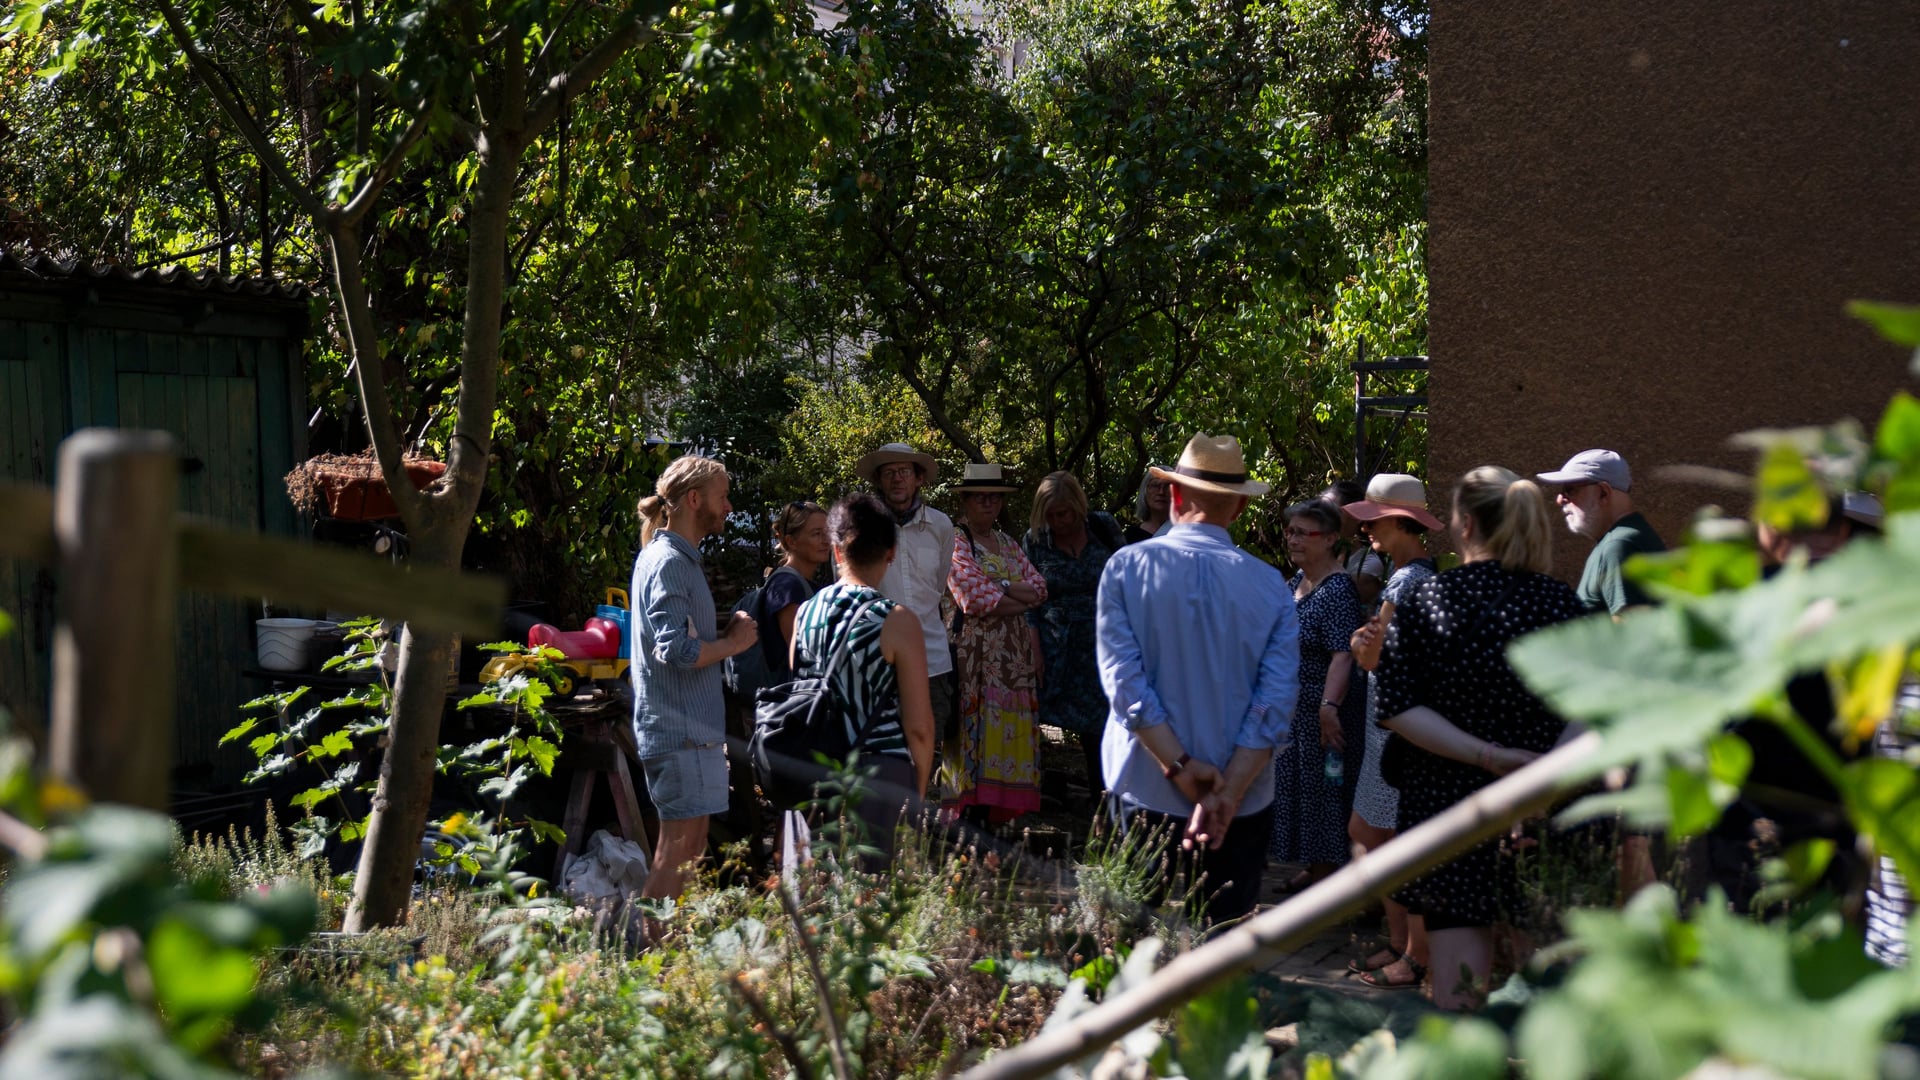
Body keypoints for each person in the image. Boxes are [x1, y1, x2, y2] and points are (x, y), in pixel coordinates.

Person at [1374, 466, 1585, 1009]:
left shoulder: (1429, 599)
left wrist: (1489, 756)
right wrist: (1539, 775)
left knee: (1458, 995)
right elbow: (1597, 710)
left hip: (1449, 813)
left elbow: (1396, 707)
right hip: (1543, 811)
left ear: (1465, 524)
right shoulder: (1562, 606)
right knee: (1545, 1000)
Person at [1098, 434, 1300, 927]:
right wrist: (1228, 790)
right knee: (1226, 955)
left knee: (1121, 950)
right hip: (1243, 799)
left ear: (1174, 497)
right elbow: (1272, 705)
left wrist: (1181, 765)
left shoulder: (1126, 568)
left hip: (1144, 785)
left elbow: (1126, 684)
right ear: (1237, 509)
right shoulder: (1271, 585)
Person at [630, 455, 759, 904]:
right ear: (693, 498)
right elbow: (678, 651)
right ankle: (647, 955)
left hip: (692, 734)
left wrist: (722, 636)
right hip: (678, 734)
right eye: (722, 496)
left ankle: (667, 953)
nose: (728, 507)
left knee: (692, 847)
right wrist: (735, 643)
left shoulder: (677, 559)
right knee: (677, 850)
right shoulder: (668, 562)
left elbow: (683, 640)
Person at [788, 495, 937, 863]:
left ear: (837, 551)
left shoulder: (805, 613)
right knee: (875, 901)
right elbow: (919, 727)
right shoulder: (898, 621)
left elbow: (799, 688)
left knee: (819, 903)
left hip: (814, 774)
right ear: (891, 553)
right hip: (879, 776)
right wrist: (916, 793)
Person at [1340, 474, 1443, 990]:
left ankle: (1415, 954)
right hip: (1393, 725)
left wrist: (1361, 645)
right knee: (1374, 835)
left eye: (1374, 519)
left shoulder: (1405, 581)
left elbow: (1373, 653)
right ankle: (1403, 944)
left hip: (1394, 728)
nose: (1366, 529)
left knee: (1389, 841)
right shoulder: (1418, 573)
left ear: (1400, 521)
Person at [1268, 498, 1366, 888]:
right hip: (1297, 712)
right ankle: (1315, 868)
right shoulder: (1297, 582)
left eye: (1302, 533)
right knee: (1305, 792)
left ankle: (1328, 882)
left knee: (1325, 795)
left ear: (1329, 539)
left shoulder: (1337, 589)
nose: (1292, 539)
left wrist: (1328, 708)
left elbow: (1343, 654)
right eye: (1290, 531)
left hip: (1324, 711)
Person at [945, 463, 1049, 824]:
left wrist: (998, 586)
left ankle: (995, 818)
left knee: (1006, 730)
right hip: (975, 657)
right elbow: (971, 599)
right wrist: (1014, 592)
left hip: (1014, 658)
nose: (988, 503)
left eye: (994, 497)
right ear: (967, 500)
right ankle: (968, 819)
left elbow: (1039, 589)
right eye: (980, 497)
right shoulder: (955, 539)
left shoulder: (1007, 542)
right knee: (974, 730)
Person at [1023, 471, 1124, 799]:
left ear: (1078, 506)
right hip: (1060, 650)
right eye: (1050, 515)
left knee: (1106, 725)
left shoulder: (1103, 527)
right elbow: (1030, 602)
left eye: (1063, 513)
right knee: (1061, 724)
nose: (1057, 521)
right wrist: (1035, 649)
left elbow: (1128, 578)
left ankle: (1106, 800)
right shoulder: (1036, 540)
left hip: (1105, 645)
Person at [855, 442, 958, 751]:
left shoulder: (939, 525)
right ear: (879, 481)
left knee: (926, 744)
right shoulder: (861, 526)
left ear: (919, 479)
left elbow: (939, 586)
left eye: (903, 472)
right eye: (888, 473)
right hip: (876, 660)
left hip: (931, 657)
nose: (897, 479)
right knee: (880, 749)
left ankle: (917, 800)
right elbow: (849, 589)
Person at [1536, 448, 1666, 616]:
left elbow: (1631, 632)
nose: (1560, 499)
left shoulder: (1619, 545)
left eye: (1570, 489)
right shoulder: (1620, 539)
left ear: (1603, 492)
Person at [761, 501, 831, 671]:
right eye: (817, 534)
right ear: (791, 541)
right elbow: (803, 655)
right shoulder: (786, 587)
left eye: (828, 532)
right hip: (791, 693)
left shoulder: (806, 584)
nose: (826, 540)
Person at [1325, 478, 1386, 609]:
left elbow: (1330, 602)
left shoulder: (1368, 565)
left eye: (1332, 512)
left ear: (1356, 516)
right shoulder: (1321, 556)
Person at [1123, 468, 1172, 543]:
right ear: (1145, 491)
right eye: (1155, 485)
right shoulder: (1131, 536)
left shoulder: (1185, 532)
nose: (1161, 492)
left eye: (1167, 486)